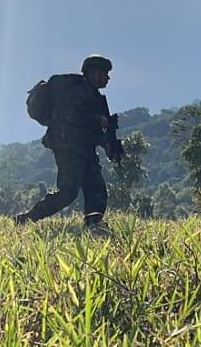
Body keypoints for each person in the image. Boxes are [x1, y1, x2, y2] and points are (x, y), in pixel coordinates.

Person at [15, 55, 123, 232]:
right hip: (69, 148)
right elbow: (69, 116)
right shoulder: (75, 89)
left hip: (86, 149)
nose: (107, 78)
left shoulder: (98, 99)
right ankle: (27, 218)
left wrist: (112, 147)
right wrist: (96, 119)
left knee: (97, 189)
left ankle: (94, 223)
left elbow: (103, 132)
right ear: (93, 73)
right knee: (68, 192)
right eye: (104, 73)